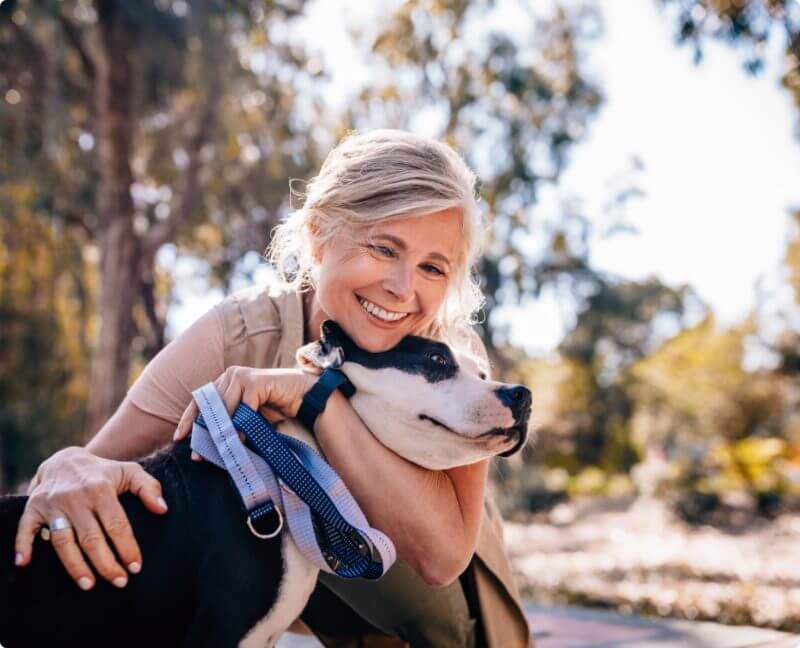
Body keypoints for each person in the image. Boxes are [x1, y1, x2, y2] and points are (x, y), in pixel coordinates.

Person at [14, 129, 532, 648]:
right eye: (382, 247)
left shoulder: (455, 361)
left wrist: (317, 397)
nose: (402, 287)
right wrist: (67, 467)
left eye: (432, 267)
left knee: (295, 482)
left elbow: (440, 560)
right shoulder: (239, 333)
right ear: (319, 233)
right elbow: (93, 467)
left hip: (448, 629)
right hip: (280, 612)